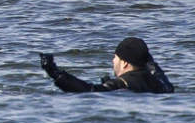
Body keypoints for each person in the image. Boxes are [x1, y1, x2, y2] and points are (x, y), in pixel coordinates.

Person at [40, 37, 174, 94]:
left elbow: (90, 91)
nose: (113, 61)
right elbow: (156, 70)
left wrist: (55, 73)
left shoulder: (122, 84)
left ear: (125, 62)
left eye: (116, 57)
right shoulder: (161, 84)